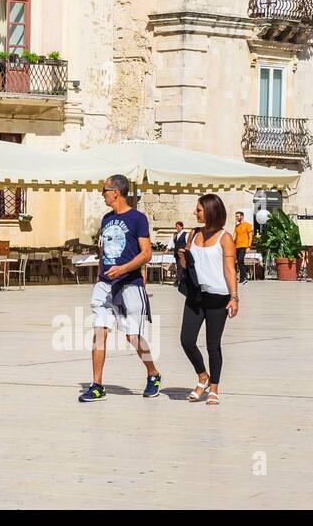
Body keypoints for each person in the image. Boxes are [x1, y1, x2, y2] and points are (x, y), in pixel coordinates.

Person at [79, 174, 162, 402]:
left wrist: (123, 269)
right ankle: (97, 385)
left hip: (129, 284)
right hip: (105, 284)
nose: (102, 193)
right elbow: (104, 250)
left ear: (116, 191)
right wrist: (101, 274)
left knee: (132, 336)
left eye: (104, 189)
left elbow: (146, 253)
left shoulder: (138, 218)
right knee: (99, 332)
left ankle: (153, 374)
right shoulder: (106, 219)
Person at [182, 194, 239, 405]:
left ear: (210, 211)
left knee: (212, 345)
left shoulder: (225, 238)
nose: (195, 213)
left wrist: (234, 297)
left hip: (218, 298)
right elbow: (188, 264)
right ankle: (202, 377)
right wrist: (182, 257)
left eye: (198, 210)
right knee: (186, 341)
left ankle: (214, 387)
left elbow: (229, 270)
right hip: (196, 295)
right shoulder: (193, 234)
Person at [233, 211, 254, 285]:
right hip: (237, 246)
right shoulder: (237, 226)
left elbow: (250, 237)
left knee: (240, 260)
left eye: (237, 216)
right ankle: (240, 278)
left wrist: (249, 246)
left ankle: (244, 278)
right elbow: (234, 237)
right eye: (236, 216)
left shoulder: (248, 225)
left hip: (244, 246)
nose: (236, 218)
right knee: (237, 262)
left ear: (242, 216)